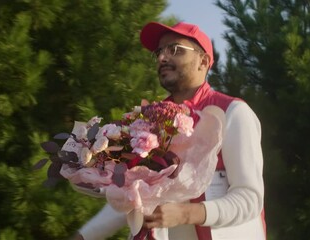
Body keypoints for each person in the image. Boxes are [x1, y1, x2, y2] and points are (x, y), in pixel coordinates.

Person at [71, 21, 266, 240]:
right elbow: (133, 195)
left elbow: (250, 199)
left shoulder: (233, 113)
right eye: (159, 52)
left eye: (175, 50)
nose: (163, 58)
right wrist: (84, 235)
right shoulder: (150, 123)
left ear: (203, 61)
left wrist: (188, 213)